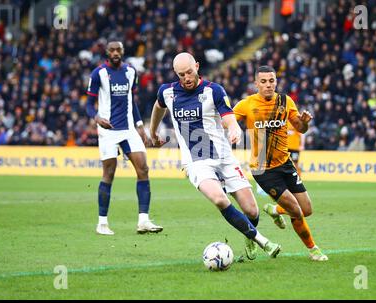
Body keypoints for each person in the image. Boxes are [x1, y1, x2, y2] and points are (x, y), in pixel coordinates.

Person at [149, 52, 281, 259]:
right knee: (219, 199)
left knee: (252, 211)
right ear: (176, 74)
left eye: (190, 72)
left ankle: (249, 234)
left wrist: (234, 129)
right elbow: (158, 107)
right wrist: (152, 131)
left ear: (197, 67)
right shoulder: (167, 92)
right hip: (196, 161)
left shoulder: (214, 91)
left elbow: (228, 116)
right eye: (181, 75)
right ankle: (262, 241)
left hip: (224, 158)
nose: (187, 78)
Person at [233, 65, 328, 261]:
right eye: (264, 81)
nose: (268, 85)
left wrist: (305, 121)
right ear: (256, 83)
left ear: (275, 82)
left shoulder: (286, 101)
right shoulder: (247, 105)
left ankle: (273, 210)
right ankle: (313, 249)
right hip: (263, 169)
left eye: (271, 81)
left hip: (285, 164)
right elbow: (227, 121)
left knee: (307, 210)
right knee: (295, 210)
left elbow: (300, 129)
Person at [86, 41, 163, 235]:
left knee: (143, 169)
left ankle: (143, 220)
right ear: (106, 53)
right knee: (109, 173)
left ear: (123, 51)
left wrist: (140, 127)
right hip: (108, 130)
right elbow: (88, 104)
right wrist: (97, 118)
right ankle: (102, 223)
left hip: (128, 129)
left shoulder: (131, 72)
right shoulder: (98, 74)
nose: (115, 53)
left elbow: (132, 102)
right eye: (111, 50)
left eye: (118, 50)